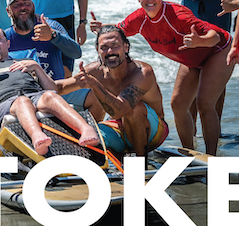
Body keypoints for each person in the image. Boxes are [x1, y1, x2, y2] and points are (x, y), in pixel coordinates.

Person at [92, 0, 234, 155]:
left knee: (205, 104)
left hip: (217, 51)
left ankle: (211, 157)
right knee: (178, 104)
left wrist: (200, 41)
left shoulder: (177, 15)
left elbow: (215, 36)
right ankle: (190, 154)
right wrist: (102, 27)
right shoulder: (138, 19)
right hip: (191, 59)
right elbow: (117, 32)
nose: (150, 0)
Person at [0, 26, 99, 156]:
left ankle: (86, 129)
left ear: (7, 43)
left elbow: (53, 89)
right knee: (22, 101)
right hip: (4, 105)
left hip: (35, 96)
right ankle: (37, 137)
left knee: (49, 96)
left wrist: (36, 67)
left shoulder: (25, 62)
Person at [56, 26, 168, 156]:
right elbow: (61, 87)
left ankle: (140, 167)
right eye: (104, 47)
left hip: (153, 133)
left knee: (134, 108)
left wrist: (95, 85)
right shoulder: (96, 71)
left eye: (115, 45)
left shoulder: (142, 72)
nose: (110, 51)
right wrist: (34, 75)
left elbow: (120, 110)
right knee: (86, 135)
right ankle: (113, 162)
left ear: (126, 47)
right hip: (119, 130)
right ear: (97, 50)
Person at [4, 0, 104, 121]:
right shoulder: (4, 38)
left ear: (33, 5)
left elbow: (76, 52)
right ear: (8, 11)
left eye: (26, 3)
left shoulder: (51, 26)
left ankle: (92, 138)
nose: (23, 7)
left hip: (58, 90)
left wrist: (53, 36)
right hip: (24, 96)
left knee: (98, 97)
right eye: (16, 5)